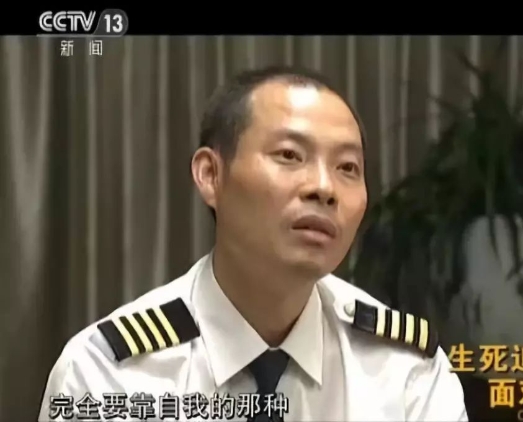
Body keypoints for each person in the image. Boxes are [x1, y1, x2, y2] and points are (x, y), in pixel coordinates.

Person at [38, 66, 468, 421]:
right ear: (211, 175)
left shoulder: (406, 368)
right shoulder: (109, 373)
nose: (324, 187)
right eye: (289, 155)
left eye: (348, 167)